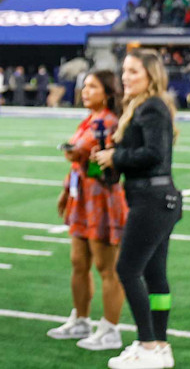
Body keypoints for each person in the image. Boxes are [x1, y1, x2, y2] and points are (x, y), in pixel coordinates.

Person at [92, 49, 181, 369]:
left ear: (151, 76)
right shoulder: (142, 107)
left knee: (127, 270)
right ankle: (159, 345)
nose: (125, 77)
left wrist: (116, 157)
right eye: (124, 71)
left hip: (152, 201)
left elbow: (154, 154)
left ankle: (147, 344)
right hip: (157, 199)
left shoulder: (152, 107)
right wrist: (109, 162)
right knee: (155, 275)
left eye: (133, 72)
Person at [47, 71, 128, 351]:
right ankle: (81, 320)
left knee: (107, 267)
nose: (85, 90)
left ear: (107, 92)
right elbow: (76, 158)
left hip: (103, 198)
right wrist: (65, 189)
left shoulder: (109, 121)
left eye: (92, 86)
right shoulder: (90, 119)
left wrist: (72, 153)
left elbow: (76, 151)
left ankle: (110, 329)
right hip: (82, 197)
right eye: (84, 86)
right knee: (79, 261)